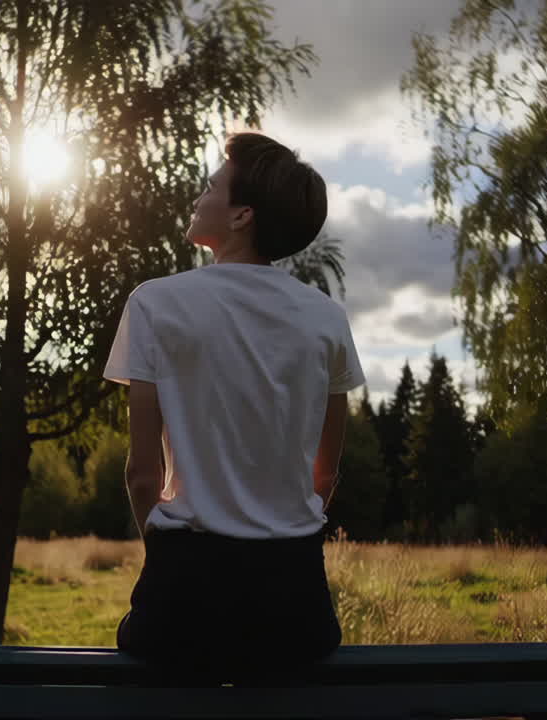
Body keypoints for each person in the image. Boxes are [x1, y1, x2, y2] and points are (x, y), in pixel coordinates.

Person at [103, 132, 365, 682]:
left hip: (184, 596)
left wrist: (174, 560)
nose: (199, 196)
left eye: (211, 187)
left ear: (242, 214)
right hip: (295, 605)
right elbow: (327, 471)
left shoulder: (155, 302)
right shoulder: (325, 316)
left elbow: (142, 473)